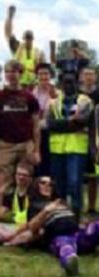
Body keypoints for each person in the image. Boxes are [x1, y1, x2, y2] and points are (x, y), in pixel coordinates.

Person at [4, 176, 99, 276]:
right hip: (59, 236)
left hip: (77, 234)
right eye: (43, 183)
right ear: (36, 186)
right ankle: (70, 264)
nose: (47, 186)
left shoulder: (61, 203)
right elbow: (32, 227)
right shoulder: (34, 206)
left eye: (50, 184)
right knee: (65, 247)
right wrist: (46, 211)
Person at [0, 60, 40, 197]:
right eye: (7, 72)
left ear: (20, 74)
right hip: (5, 145)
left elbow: (36, 126)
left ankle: (23, 212)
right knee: (3, 183)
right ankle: (0, 213)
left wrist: (37, 150)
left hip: (26, 144)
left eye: (14, 72)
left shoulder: (30, 97)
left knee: (25, 181)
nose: (10, 75)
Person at [47, 73, 92, 219]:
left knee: (74, 184)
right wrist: (70, 122)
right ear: (61, 85)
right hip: (57, 149)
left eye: (71, 82)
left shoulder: (85, 101)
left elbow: (82, 121)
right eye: (65, 83)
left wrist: (62, 124)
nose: (68, 85)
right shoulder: (53, 103)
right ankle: (61, 217)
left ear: (77, 84)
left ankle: (76, 216)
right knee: (59, 185)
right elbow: (50, 124)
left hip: (77, 149)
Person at [0, 162, 34, 244]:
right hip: (14, 227)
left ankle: (6, 242)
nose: (21, 177)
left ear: (30, 178)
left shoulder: (34, 192)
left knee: (33, 234)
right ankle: (12, 240)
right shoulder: (11, 193)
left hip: (29, 227)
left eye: (24, 175)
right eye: (18, 174)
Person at [4, 5, 45, 87]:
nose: (28, 40)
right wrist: (10, 18)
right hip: (19, 85)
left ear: (33, 39)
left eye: (29, 38)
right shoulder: (18, 48)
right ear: (23, 39)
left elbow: (44, 70)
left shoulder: (38, 52)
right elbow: (8, 34)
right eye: (26, 38)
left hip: (34, 85)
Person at [32, 63, 59, 176]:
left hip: (51, 133)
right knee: (37, 164)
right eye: (40, 74)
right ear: (36, 76)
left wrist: (54, 97)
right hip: (35, 133)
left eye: (46, 74)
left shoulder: (57, 93)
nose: (43, 77)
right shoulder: (32, 93)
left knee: (50, 165)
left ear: (50, 75)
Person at [78, 67, 99, 214]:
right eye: (86, 74)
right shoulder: (74, 93)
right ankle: (77, 206)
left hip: (96, 139)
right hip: (77, 138)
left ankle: (91, 207)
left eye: (91, 74)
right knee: (77, 175)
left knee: (93, 176)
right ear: (81, 77)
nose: (89, 77)